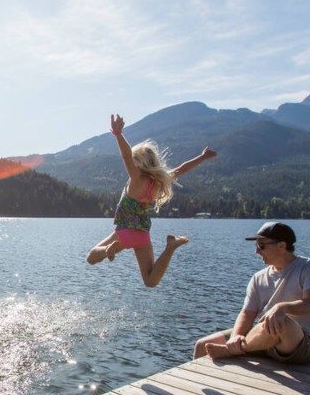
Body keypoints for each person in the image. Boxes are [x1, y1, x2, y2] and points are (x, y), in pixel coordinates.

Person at [86, 114, 218, 287]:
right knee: (150, 280)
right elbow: (182, 169)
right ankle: (170, 247)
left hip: (125, 232)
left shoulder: (136, 178)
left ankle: (108, 250)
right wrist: (203, 157)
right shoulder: (159, 181)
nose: (131, 162)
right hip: (142, 235)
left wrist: (118, 134)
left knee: (91, 257)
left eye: (134, 160)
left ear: (138, 162)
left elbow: (126, 156)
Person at [194, 222, 310, 364]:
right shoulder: (258, 278)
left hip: (302, 343)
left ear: (282, 246)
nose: (256, 251)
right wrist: (236, 335)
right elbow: (247, 314)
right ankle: (195, 382)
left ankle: (236, 349)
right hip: (263, 338)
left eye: (261, 246)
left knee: (279, 320)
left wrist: (281, 308)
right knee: (202, 345)